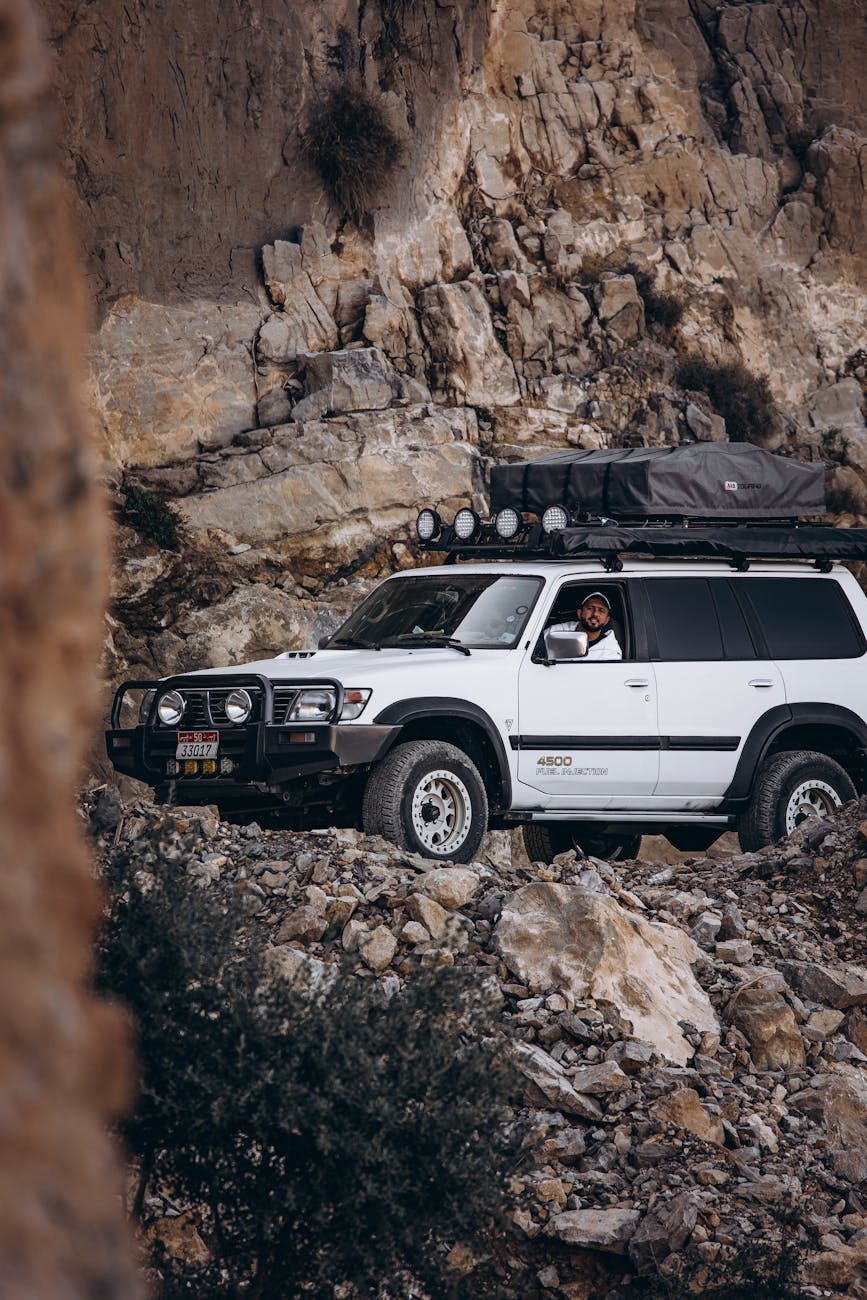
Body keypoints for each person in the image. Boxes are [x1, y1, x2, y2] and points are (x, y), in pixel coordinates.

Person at [548, 591, 623, 660]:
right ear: (579, 613)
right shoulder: (556, 631)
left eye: (601, 610)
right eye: (590, 608)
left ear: (607, 620)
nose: (595, 614)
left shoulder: (611, 652)